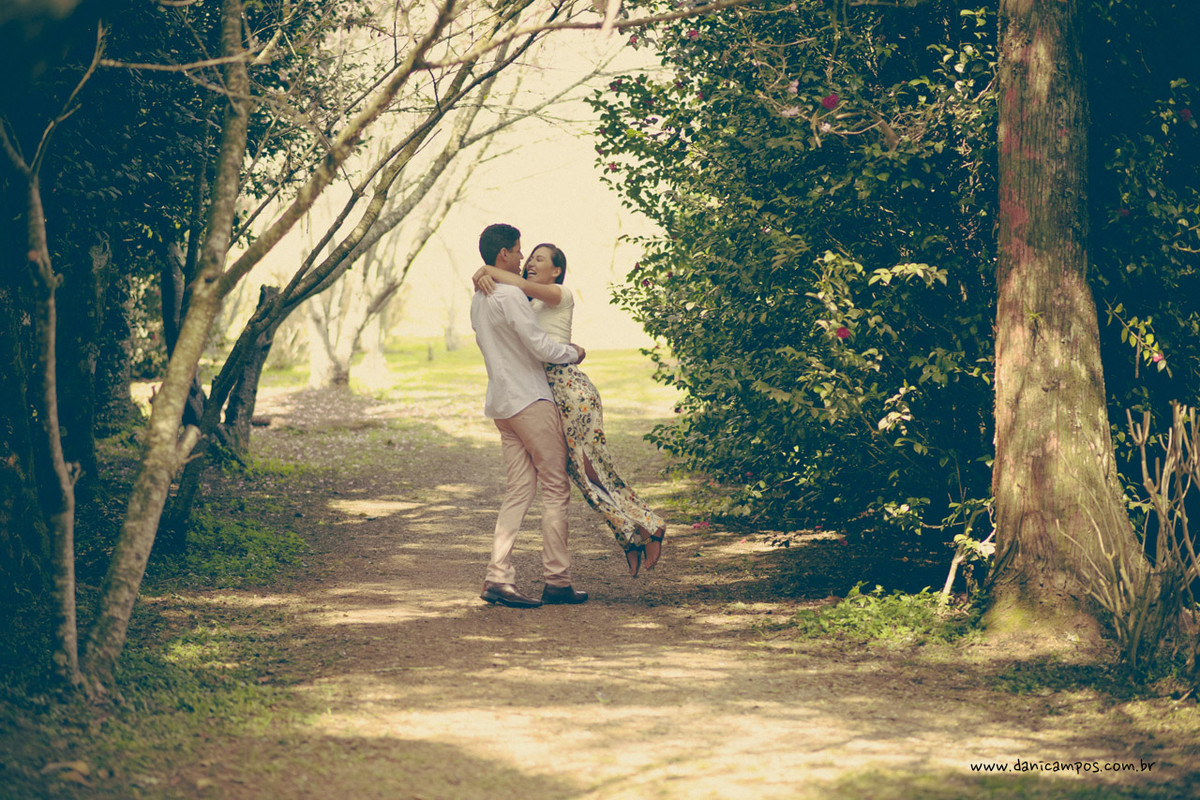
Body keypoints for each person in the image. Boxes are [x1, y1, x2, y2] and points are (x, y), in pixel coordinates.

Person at [474, 243, 667, 577]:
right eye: (528, 257)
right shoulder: (523, 300)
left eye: (539, 259)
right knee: (580, 477)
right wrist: (486, 275)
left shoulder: (559, 293)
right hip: (544, 394)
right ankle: (629, 536)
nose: (531, 262)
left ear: (557, 270)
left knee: (596, 469)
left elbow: (521, 288)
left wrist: (488, 269)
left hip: (570, 389)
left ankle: (651, 525)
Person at [471, 223, 590, 609]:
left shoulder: (479, 298)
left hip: (502, 406)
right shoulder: (510, 295)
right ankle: (557, 580)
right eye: (520, 251)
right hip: (530, 401)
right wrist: (574, 353)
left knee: (520, 490)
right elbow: (540, 346)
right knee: (555, 487)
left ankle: (497, 577)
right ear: (504, 254)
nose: (523, 258)